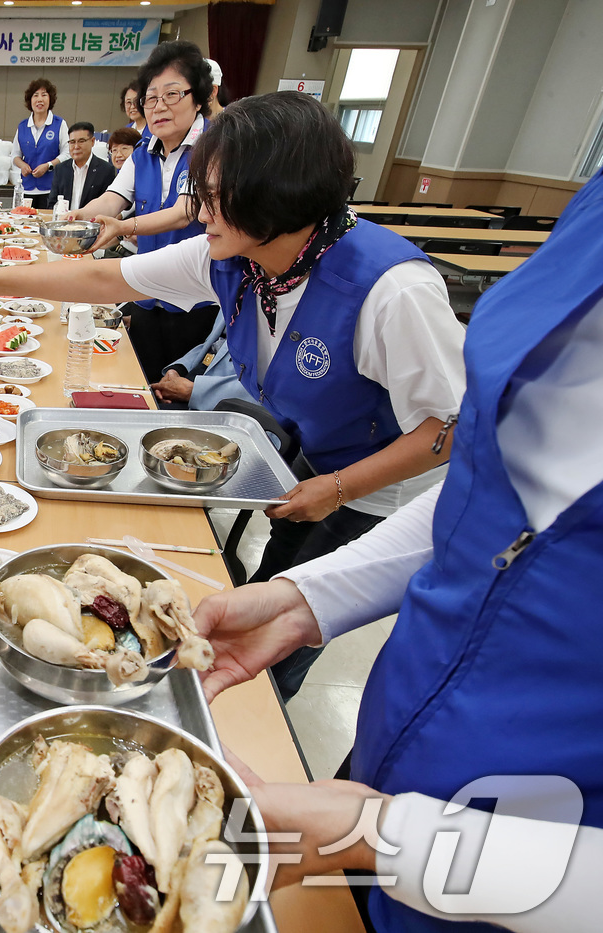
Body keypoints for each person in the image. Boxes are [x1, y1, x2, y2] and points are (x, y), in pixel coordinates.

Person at [0, 92, 465, 700]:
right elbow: (105, 277)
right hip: (314, 449)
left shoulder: (391, 290)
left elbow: (451, 427)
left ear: (278, 193)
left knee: (295, 619)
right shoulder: (236, 255)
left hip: (382, 492)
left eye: (215, 195)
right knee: (273, 583)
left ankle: (265, 705)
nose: (198, 210)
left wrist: (339, 489)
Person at [190, 168, 603, 933]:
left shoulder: (386, 283)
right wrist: (303, 599)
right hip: (395, 769)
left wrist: (394, 839)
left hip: (503, 879)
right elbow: (487, 493)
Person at [74, 40, 221, 388]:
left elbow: (185, 212)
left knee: (176, 387)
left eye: (172, 95)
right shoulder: (145, 150)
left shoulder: (214, 146)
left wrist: (123, 226)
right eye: (150, 98)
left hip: (194, 296)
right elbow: (113, 198)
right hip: (147, 286)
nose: (158, 107)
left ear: (198, 98)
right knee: (137, 379)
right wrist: (76, 218)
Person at [150, 316, 255, 411]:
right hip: (193, 384)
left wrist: (192, 391)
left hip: (222, 409)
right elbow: (214, 345)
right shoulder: (236, 298)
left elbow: (266, 393)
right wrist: (177, 370)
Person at [11, 78, 69, 211]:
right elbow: (15, 155)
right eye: (35, 95)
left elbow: (67, 153)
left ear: (50, 99)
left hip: (50, 188)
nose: (39, 99)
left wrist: (48, 166)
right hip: (26, 189)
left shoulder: (59, 124)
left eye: (44, 95)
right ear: (30, 100)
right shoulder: (22, 126)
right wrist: (22, 165)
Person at [51, 122, 116, 211]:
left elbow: (107, 206)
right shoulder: (61, 169)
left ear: (92, 141)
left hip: (91, 222)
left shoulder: (106, 170)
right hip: (64, 222)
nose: (76, 146)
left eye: (81, 141)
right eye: (72, 142)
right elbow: (52, 203)